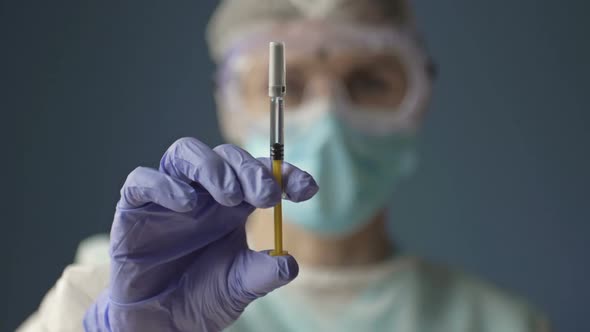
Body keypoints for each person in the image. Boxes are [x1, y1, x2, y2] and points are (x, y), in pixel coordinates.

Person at [18, 0, 551, 331]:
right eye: (286, 87)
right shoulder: (129, 282)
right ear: (230, 105)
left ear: (419, 98)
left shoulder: (500, 324)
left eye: (368, 82)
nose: (328, 116)